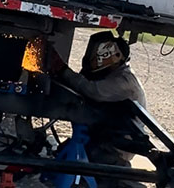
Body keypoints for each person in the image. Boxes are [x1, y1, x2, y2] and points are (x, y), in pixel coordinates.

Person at [49, 31, 147, 188]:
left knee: (91, 166)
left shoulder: (124, 81)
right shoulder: (112, 73)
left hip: (119, 146)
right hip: (109, 133)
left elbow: (91, 90)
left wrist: (62, 70)